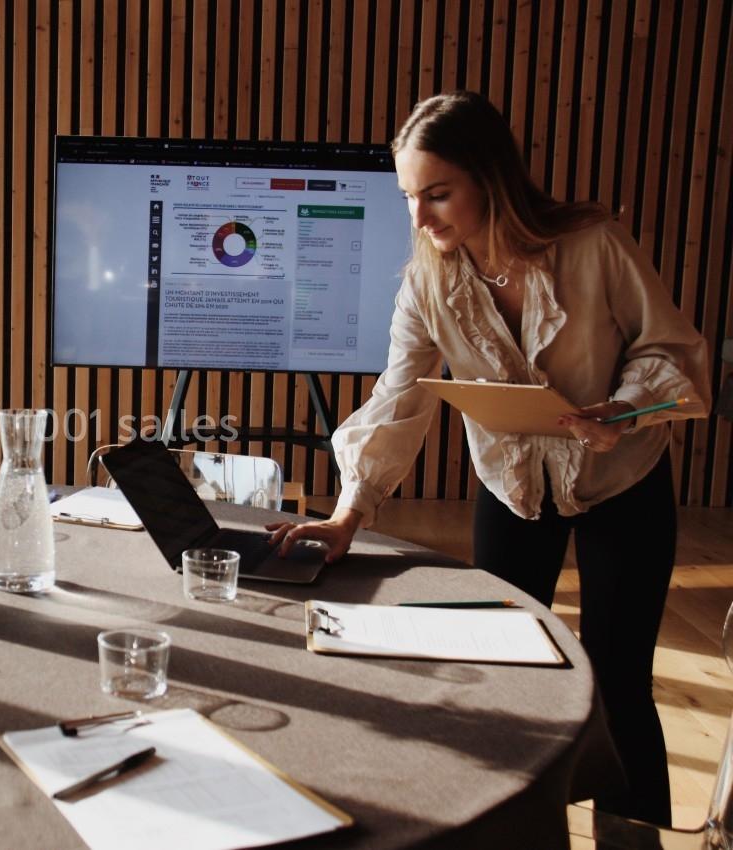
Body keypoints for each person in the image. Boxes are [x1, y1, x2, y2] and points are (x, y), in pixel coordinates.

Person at [267, 90, 711, 825]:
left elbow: (668, 348)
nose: (419, 218)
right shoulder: (427, 280)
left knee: (619, 683)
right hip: (511, 487)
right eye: (410, 196)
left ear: (491, 178)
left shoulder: (594, 243)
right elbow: (398, 398)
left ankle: (636, 842)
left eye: (437, 194)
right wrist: (348, 515)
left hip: (622, 479)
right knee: (498, 669)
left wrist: (625, 409)